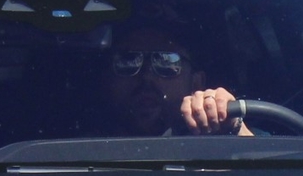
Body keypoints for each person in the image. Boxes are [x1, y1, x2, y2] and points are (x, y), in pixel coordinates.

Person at [102, 25, 251, 137]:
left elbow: (263, 163)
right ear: (107, 79)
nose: (146, 76)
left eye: (166, 63)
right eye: (127, 61)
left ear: (196, 83)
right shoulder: (80, 148)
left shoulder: (217, 143)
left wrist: (232, 126)